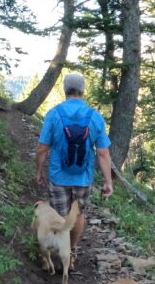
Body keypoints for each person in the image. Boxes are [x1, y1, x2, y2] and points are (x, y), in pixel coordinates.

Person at [35, 73, 113, 257]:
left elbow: (42, 149)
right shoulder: (95, 117)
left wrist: (39, 170)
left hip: (58, 176)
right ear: (83, 91)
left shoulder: (54, 114)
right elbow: (103, 153)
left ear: (65, 90)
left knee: (61, 216)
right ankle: (72, 249)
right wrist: (108, 181)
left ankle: (63, 251)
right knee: (77, 215)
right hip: (83, 178)